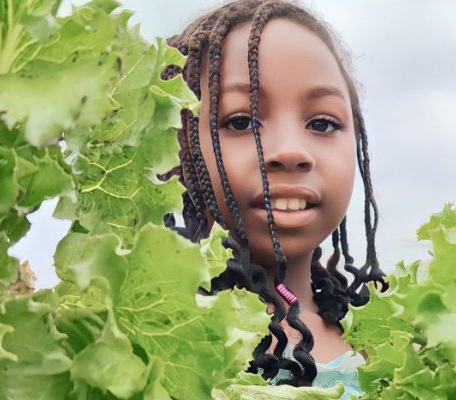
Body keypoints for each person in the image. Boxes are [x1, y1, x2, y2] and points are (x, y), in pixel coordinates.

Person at [160, 0, 387, 396]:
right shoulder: (141, 342)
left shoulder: (399, 342)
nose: (289, 151)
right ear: (177, 146)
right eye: (240, 121)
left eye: (322, 123)